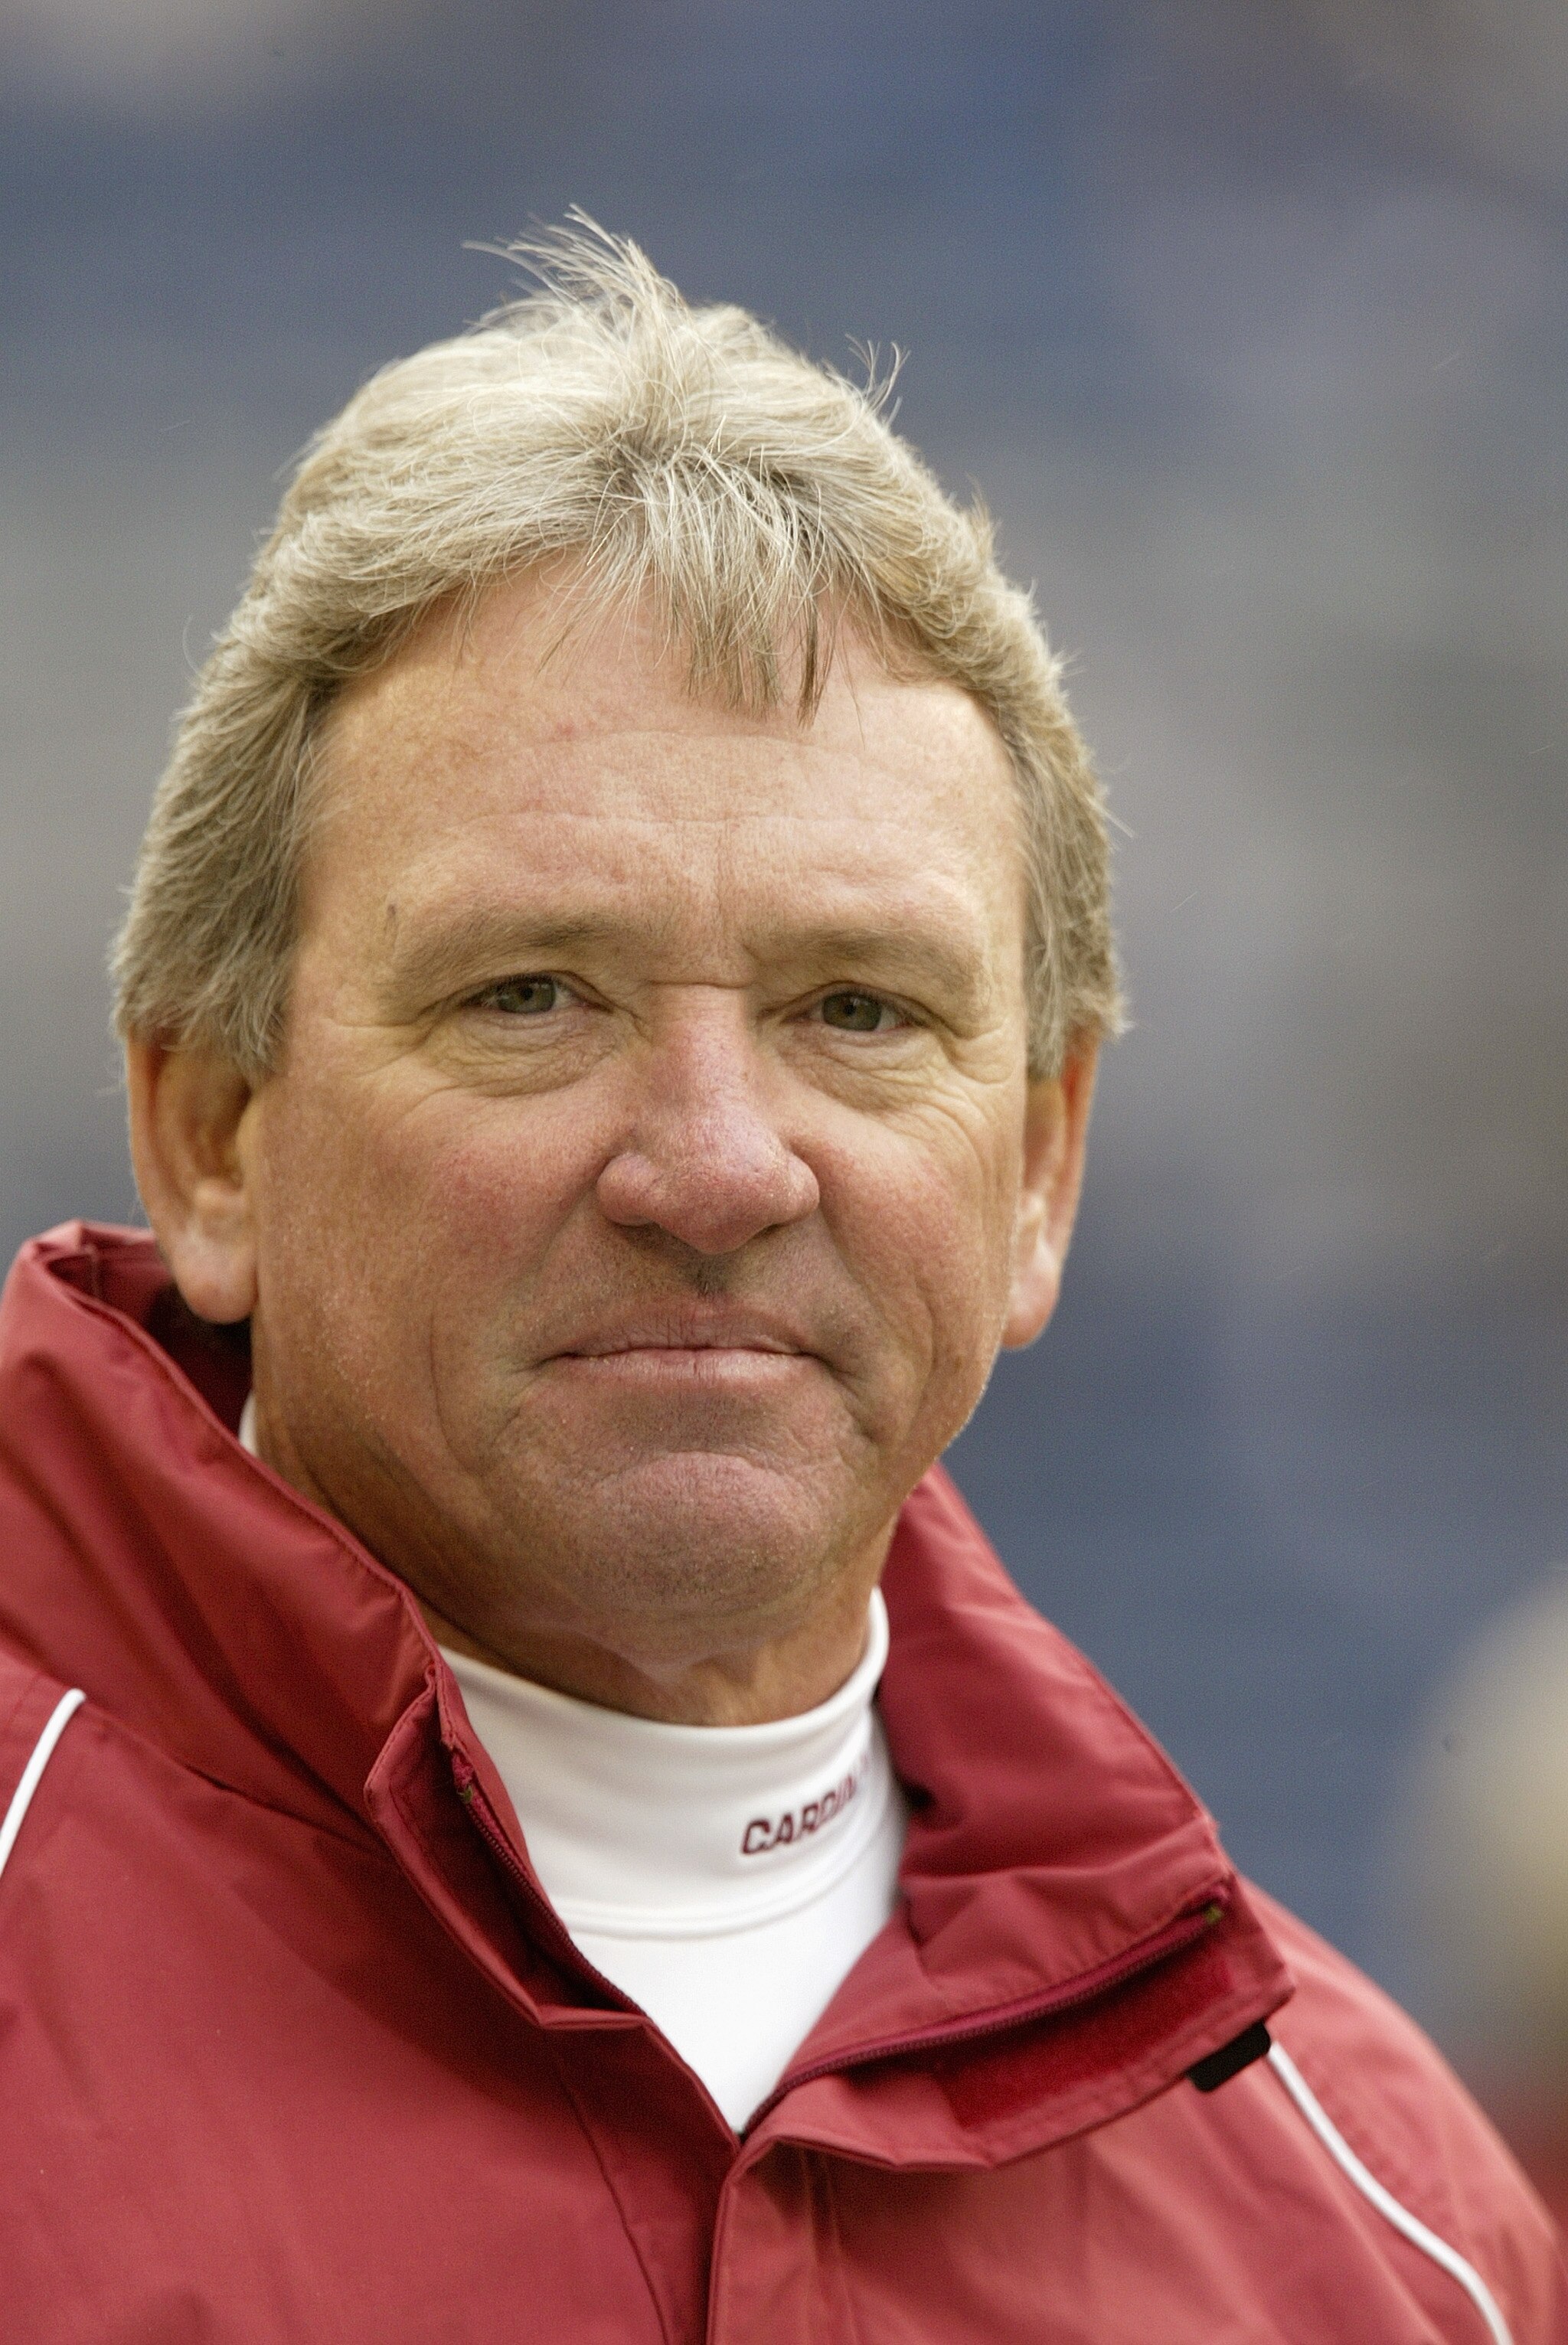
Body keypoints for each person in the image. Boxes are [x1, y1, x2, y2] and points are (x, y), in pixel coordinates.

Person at [0, 224, 1559, 2343]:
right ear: (211, 1133)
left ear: (1038, 1168)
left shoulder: (1390, 2240)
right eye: (533, 994)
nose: (718, 1167)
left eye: (859, 1011)